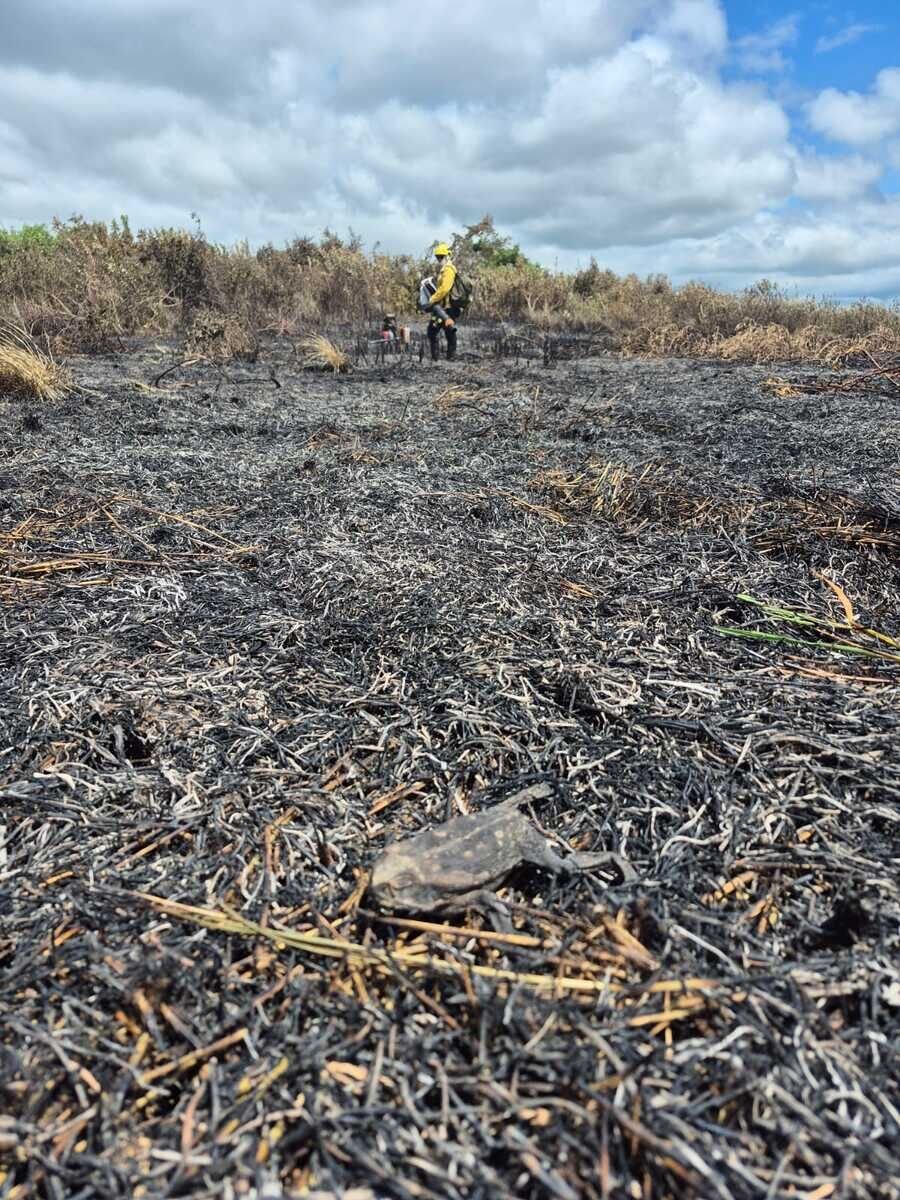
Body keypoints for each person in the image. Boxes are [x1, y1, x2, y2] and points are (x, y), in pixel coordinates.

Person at [424, 242, 459, 361]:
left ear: (447, 256)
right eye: (437, 257)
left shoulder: (449, 270)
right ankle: (439, 358)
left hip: (448, 308)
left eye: (441, 257)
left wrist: (432, 299)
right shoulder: (444, 270)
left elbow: (445, 289)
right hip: (441, 307)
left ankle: (449, 358)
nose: (439, 259)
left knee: (445, 332)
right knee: (435, 331)